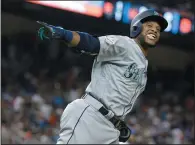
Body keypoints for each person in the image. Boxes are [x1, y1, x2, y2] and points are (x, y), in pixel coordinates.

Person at [37, 9, 168, 144]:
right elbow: (92, 44)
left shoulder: (143, 63)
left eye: (158, 29)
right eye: (149, 26)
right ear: (137, 27)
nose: (154, 30)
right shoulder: (125, 44)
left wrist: (118, 122)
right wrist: (63, 33)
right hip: (91, 117)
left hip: (111, 128)